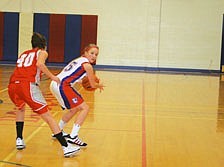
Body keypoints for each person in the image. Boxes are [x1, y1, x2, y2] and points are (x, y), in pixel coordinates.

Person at [8, 32, 80, 157]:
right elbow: (40, 64)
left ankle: (19, 139)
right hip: (27, 85)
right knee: (48, 116)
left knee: (20, 109)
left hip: (13, 84)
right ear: (44, 45)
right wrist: (53, 77)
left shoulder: (24, 53)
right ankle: (66, 147)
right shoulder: (42, 52)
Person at [50, 44, 104, 147]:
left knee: (74, 109)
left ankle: (58, 131)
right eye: (91, 53)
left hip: (55, 83)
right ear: (85, 52)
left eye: (96, 54)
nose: (94, 56)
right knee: (85, 108)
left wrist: (86, 82)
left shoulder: (78, 60)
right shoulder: (88, 66)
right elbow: (92, 84)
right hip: (63, 86)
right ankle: (74, 136)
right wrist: (98, 85)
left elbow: (77, 78)